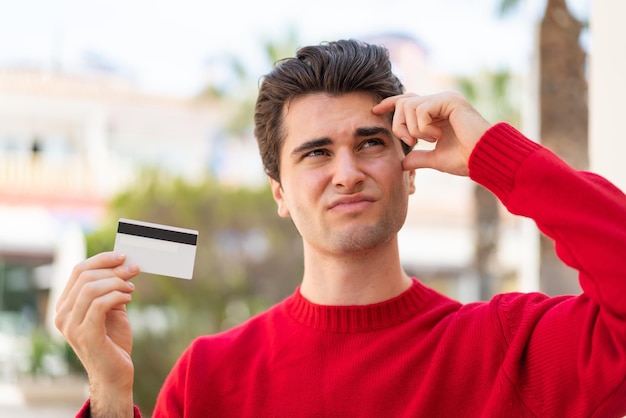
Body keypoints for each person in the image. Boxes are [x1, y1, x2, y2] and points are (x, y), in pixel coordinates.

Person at [55, 39, 626, 417]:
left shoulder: (508, 347)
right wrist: (109, 393)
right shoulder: (209, 379)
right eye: (316, 153)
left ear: (410, 170)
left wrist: (497, 157)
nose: (347, 173)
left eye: (370, 143)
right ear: (280, 193)